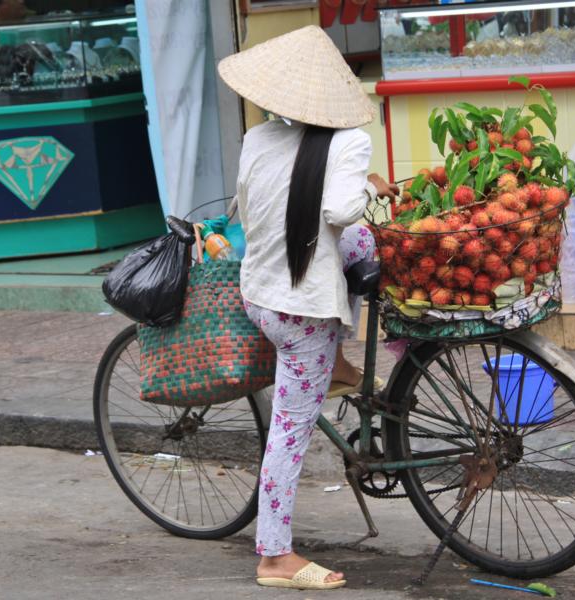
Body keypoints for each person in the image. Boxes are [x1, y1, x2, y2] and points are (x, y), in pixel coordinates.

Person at [217, 25, 399, 591]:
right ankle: (274, 555)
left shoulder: (258, 138)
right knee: (289, 431)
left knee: (363, 249)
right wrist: (371, 187)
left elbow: (252, 212)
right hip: (301, 317)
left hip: (260, 294)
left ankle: (341, 365)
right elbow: (344, 209)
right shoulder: (349, 142)